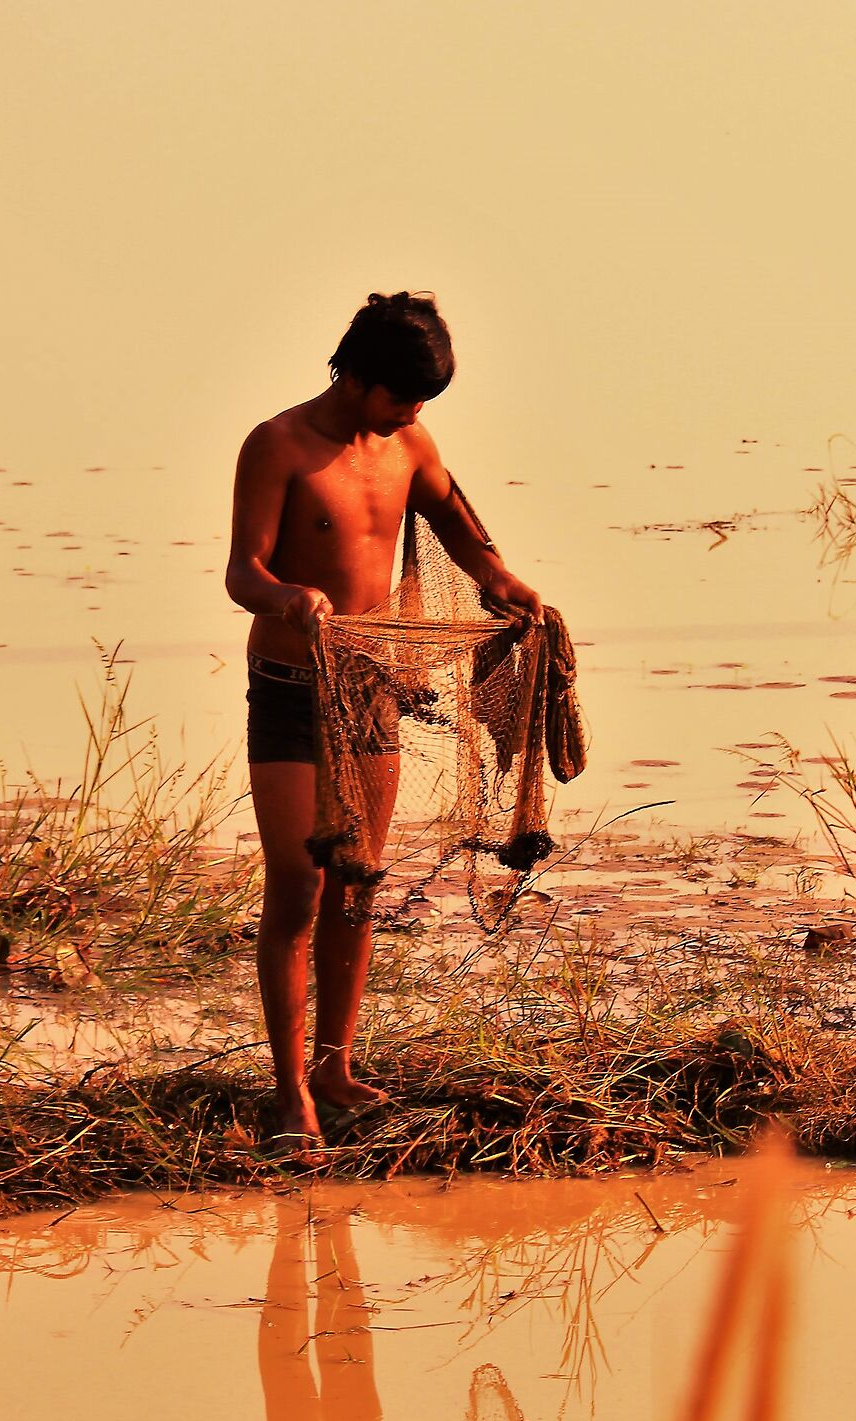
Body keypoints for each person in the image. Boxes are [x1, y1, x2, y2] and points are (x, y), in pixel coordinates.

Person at [226, 292, 541, 1154]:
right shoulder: (280, 444)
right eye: (402, 396)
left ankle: (336, 1065)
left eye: (423, 402)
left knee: (358, 884)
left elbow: (457, 522)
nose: (413, 413)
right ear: (355, 374)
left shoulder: (411, 444)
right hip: (294, 684)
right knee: (300, 885)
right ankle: (290, 1090)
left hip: (370, 689)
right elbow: (241, 573)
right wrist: (288, 596)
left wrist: (499, 577)